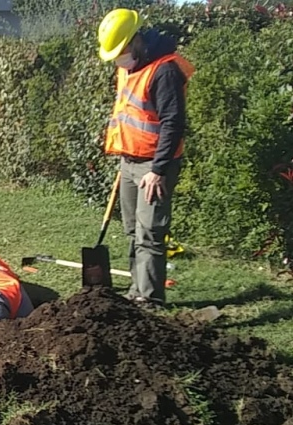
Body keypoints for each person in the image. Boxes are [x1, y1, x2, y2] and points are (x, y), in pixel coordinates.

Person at [97, 8, 195, 309]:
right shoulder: (130, 68)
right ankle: (136, 290)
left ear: (137, 40)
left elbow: (173, 123)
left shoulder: (163, 71)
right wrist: (126, 157)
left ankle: (150, 299)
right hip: (129, 161)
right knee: (131, 230)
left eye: (122, 50)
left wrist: (158, 169)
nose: (118, 57)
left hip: (154, 167)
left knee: (150, 232)